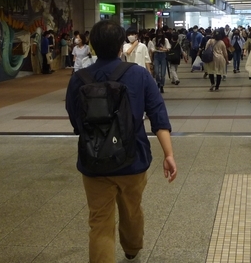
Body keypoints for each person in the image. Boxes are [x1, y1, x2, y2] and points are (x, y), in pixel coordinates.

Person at [65, 20, 177, 263]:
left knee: (99, 222)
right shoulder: (138, 75)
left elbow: (76, 122)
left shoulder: (79, 78)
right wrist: (168, 154)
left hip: (93, 161)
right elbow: (158, 116)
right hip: (132, 159)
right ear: (121, 46)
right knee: (131, 209)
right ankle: (132, 248)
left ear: (92, 46)